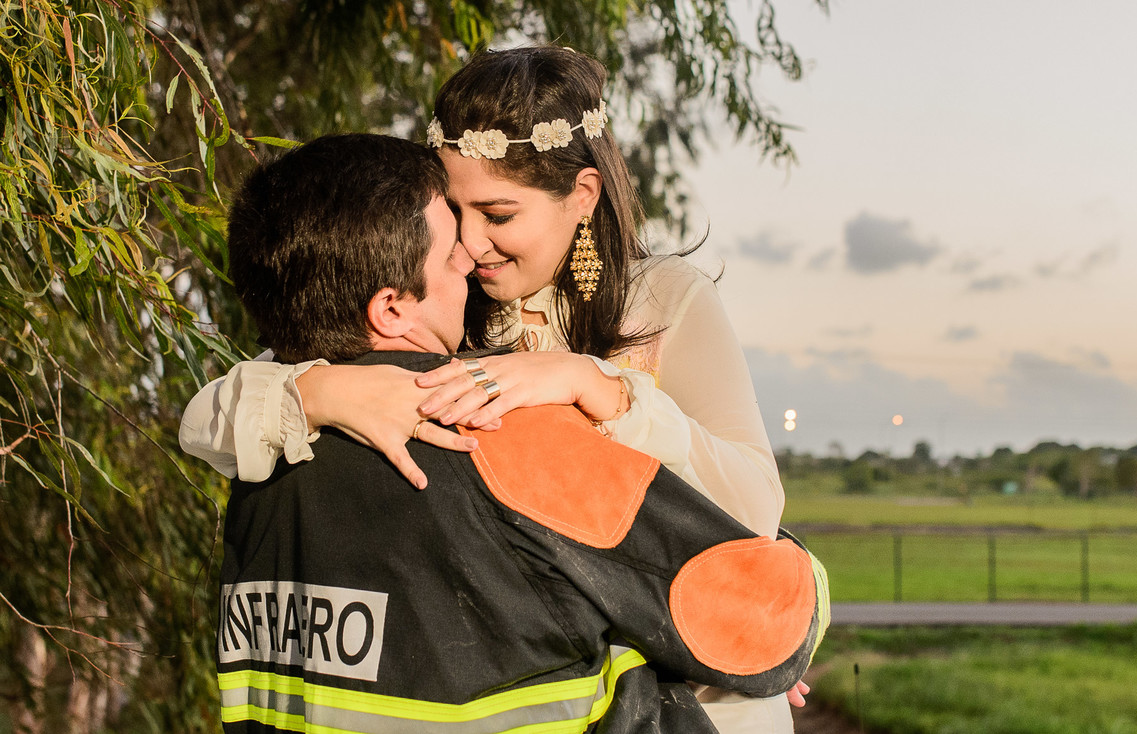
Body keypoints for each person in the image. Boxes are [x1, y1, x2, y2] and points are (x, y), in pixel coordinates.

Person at [181, 45, 793, 730]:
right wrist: (324, 394)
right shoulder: (437, 296)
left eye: (498, 215)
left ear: (582, 196)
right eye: (455, 212)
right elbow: (209, 420)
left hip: (692, 690)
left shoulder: (667, 302)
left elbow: (755, 512)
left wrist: (600, 386)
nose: (470, 244)